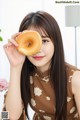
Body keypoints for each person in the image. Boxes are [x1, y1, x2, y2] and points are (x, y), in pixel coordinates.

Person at [3, 11, 80, 120]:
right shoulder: (24, 74)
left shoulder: (75, 78)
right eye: (31, 43)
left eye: (44, 41)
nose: (38, 50)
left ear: (55, 43)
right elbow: (8, 117)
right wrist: (15, 67)